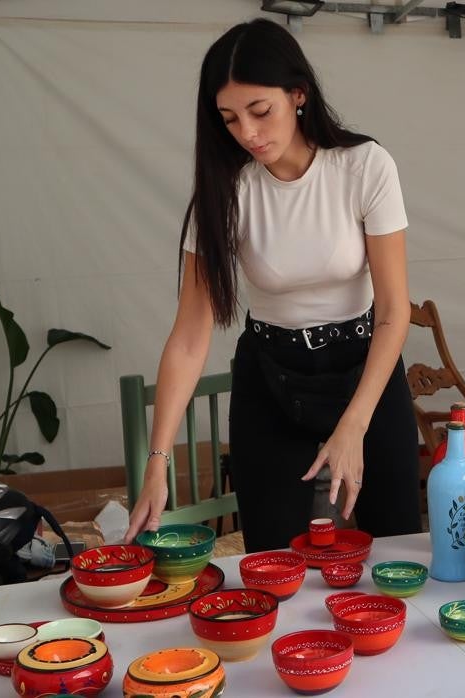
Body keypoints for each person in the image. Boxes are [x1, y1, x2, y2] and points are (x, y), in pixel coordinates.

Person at [123, 19, 421, 553]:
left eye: (261, 111)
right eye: (230, 119)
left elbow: (395, 312)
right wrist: (158, 462)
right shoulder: (226, 193)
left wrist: (354, 423)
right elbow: (190, 337)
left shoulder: (364, 167)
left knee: (397, 550)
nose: (247, 133)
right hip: (270, 377)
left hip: (365, 370)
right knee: (272, 563)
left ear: (298, 94)